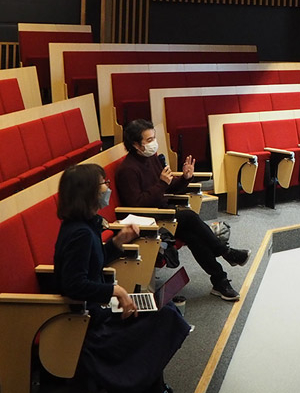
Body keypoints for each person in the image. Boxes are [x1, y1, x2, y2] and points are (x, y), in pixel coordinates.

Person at [54, 164, 190, 393]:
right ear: (87, 191)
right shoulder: (80, 233)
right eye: (103, 184)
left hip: (97, 309)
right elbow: (73, 284)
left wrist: (117, 242)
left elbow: (93, 264)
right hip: (88, 322)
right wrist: (117, 292)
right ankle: (150, 386)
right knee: (164, 316)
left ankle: (153, 385)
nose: (107, 188)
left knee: (162, 310)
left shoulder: (86, 226)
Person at [116, 119, 250, 301]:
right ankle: (225, 252)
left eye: (153, 138)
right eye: (148, 140)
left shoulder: (152, 159)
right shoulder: (127, 170)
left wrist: (185, 178)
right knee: (188, 216)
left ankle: (220, 281)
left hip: (164, 215)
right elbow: (137, 205)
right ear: (135, 144)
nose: (153, 143)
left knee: (195, 238)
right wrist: (161, 183)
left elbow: (168, 189)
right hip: (146, 221)